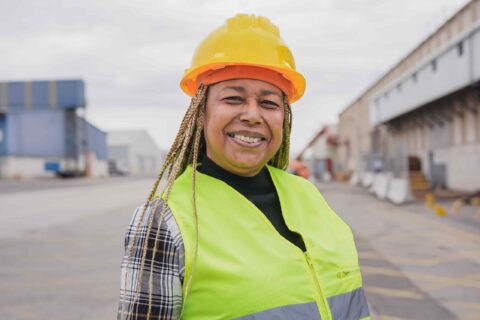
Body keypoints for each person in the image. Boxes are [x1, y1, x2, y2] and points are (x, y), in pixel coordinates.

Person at [117, 14, 370, 320]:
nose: (252, 114)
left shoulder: (308, 194)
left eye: (269, 103)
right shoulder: (165, 219)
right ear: (201, 114)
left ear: (284, 120)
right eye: (234, 98)